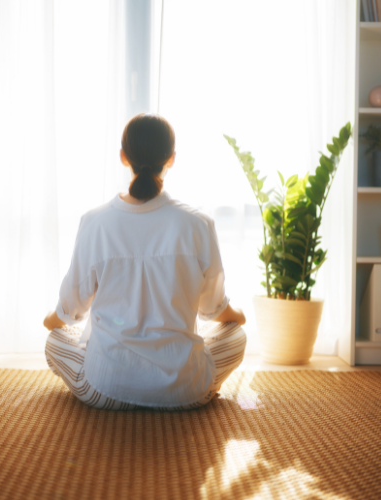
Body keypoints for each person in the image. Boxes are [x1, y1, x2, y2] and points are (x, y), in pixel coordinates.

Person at [43, 113, 247, 411]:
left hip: (104, 390)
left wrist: (51, 322)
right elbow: (212, 309)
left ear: (123, 157)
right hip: (185, 394)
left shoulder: (95, 222)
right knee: (237, 336)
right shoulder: (199, 224)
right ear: (172, 159)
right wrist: (237, 315)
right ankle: (183, 378)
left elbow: (71, 309)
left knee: (55, 341)